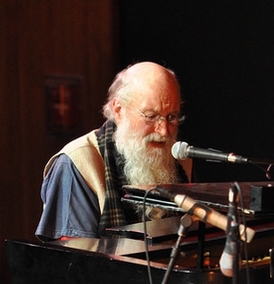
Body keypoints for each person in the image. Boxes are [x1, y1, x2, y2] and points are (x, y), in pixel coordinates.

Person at [36, 61, 192, 241]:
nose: (164, 131)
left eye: (171, 117)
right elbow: (74, 262)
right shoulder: (76, 163)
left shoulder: (181, 161)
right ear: (119, 110)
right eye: (151, 116)